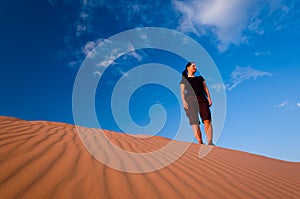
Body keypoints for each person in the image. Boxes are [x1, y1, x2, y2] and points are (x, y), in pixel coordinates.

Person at [180, 62, 214, 145]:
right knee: (194, 122)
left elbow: (206, 89)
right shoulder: (184, 80)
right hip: (190, 100)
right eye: (193, 66)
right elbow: (182, 92)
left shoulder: (200, 78)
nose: (195, 67)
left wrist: (209, 98)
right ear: (188, 68)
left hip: (202, 99)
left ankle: (210, 142)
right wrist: (184, 101)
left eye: (195, 66)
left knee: (207, 120)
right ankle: (200, 142)